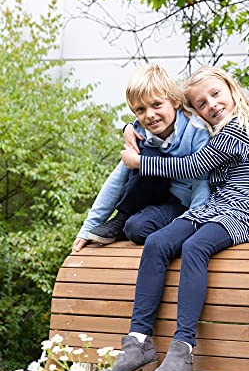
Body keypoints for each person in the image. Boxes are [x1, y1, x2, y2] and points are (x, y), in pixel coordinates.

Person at [106, 66, 249, 371]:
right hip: (215, 209)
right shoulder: (211, 128)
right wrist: (132, 126)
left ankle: (182, 347)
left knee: (194, 247)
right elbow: (164, 110)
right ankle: (138, 340)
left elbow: (193, 165)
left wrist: (139, 162)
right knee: (157, 242)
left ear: (231, 89)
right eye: (200, 103)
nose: (210, 104)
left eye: (215, 95)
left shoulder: (241, 126)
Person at [72, 64, 210, 253]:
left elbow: (201, 182)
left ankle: (130, 222)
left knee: (136, 228)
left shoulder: (196, 131)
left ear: (175, 101)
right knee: (145, 153)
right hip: (154, 195)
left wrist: (193, 222)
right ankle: (121, 217)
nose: (150, 115)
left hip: (182, 203)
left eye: (156, 105)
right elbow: (117, 180)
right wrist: (87, 228)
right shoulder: (141, 133)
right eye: (140, 110)